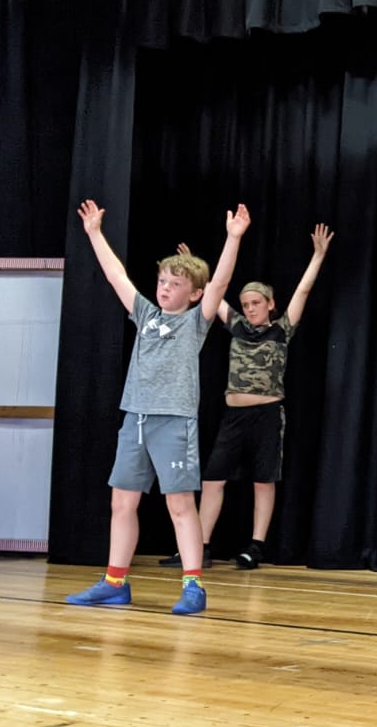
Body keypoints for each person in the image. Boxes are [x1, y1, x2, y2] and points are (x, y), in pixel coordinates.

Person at [65, 199, 249, 615]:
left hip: (174, 421)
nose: (164, 288)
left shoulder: (195, 320)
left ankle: (193, 585)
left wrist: (233, 238)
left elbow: (220, 282)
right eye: (162, 281)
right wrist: (94, 233)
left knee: (179, 505)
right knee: (122, 503)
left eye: (175, 284)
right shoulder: (145, 313)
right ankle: (115, 582)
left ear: (194, 294)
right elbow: (116, 275)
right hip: (136, 418)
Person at [159, 225, 335, 571]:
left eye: (256, 303)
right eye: (245, 305)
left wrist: (318, 256)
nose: (250, 309)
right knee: (213, 479)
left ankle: (255, 547)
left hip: (267, 415)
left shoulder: (281, 329)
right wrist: (192, 271)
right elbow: (213, 292)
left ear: (270, 304)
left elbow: (303, 290)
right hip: (233, 416)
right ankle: (200, 546)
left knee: (263, 481)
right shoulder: (237, 326)